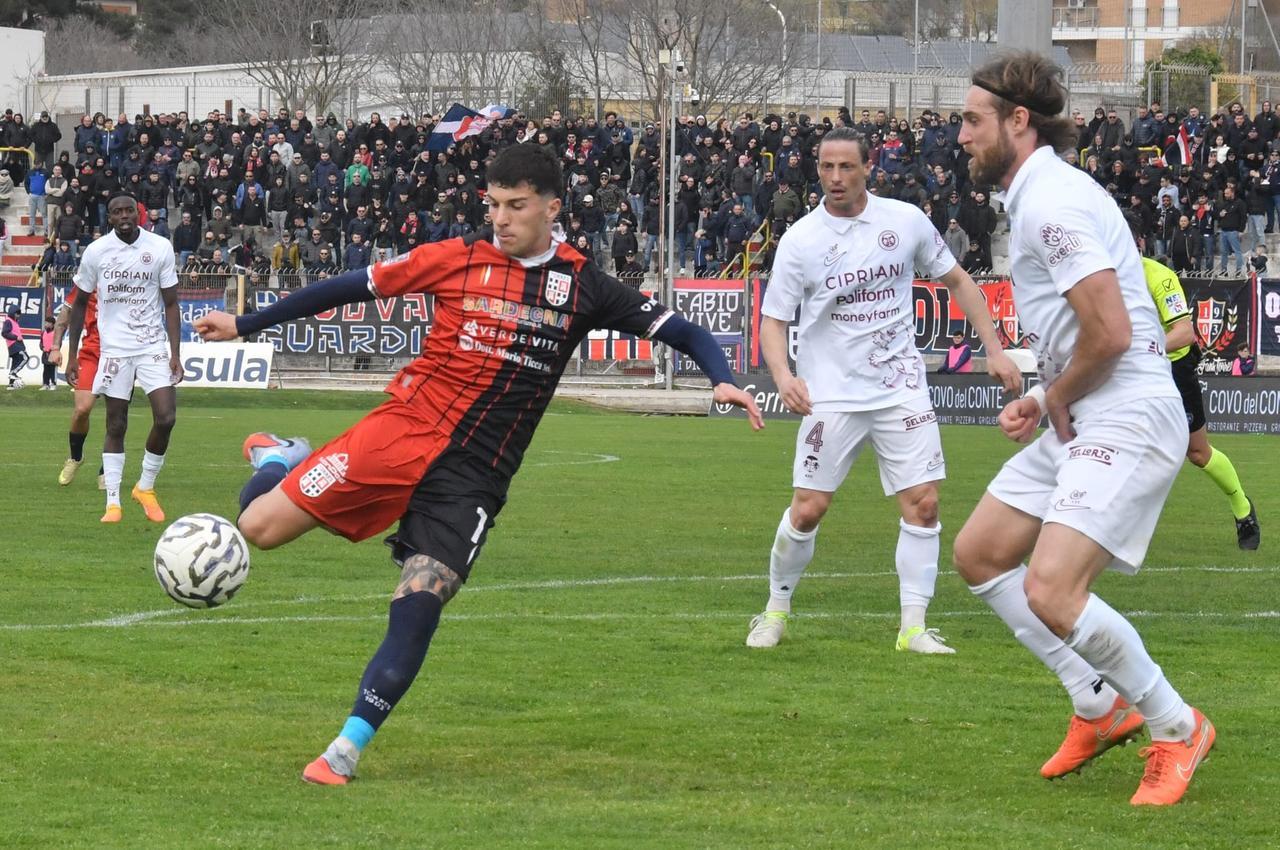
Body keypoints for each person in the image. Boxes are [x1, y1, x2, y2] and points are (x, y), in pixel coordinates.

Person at [193, 143, 764, 785]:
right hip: (401, 431)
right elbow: (354, 286)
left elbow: (683, 331)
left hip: (476, 472)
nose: (500, 218)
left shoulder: (583, 286)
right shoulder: (456, 258)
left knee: (423, 595)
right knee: (258, 528)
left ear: (552, 208)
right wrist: (248, 322)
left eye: (516, 206)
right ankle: (279, 459)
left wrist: (721, 376)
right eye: (493, 204)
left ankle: (344, 750)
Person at [953, 52, 1214, 807]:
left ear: (1019, 121)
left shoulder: (1051, 203)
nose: (961, 135)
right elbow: (1091, 336)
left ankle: (1177, 726)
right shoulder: (1040, 194)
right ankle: (1099, 704)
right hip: (1090, 405)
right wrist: (1048, 397)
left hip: (1127, 410)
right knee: (980, 554)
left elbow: (1112, 335)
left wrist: (1053, 396)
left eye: (972, 120)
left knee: (1052, 588)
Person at [743, 127, 1021, 654]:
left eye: (846, 166)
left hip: (901, 389)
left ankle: (913, 628)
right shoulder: (801, 239)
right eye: (827, 167)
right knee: (808, 509)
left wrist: (995, 347)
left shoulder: (905, 220)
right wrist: (783, 376)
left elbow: (958, 281)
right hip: (831, 394)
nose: (835, 177)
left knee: (924, 505)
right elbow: (773, 320)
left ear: (868, 167)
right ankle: (775, 611)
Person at [1126, 211, 1260, 550]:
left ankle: (1242, 508)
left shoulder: (1159, 276)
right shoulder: (1099, 281)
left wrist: (1142, 349)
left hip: (1173, 369)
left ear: (1137, 242)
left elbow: (1184, 333)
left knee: (1198, 453)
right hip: (1130, 373)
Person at [65, 195, 182, 523]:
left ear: (138, 214)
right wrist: (72, 355)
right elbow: (79, 304)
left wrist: (175, 353)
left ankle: (145, 487)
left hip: (151, 346)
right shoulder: (96, 251)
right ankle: (113, 502)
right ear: (110, 218)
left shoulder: (159, 247)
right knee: (116, 424)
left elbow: (171, 303)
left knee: (166, 418)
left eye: (129, 210)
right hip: (114, 349)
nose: (124, 216)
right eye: (117, 212)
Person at [50, 287, 106, 488]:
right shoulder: (89, 276)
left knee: (117, 416)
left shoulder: (131, 276)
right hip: (92, 352)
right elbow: (66, 311)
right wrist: (55, 347)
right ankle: (75, 457)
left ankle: (107, 471)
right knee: (82, 409)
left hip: (123, 353)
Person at [3, 305, 25, 390]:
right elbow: (4, 333)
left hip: (17, 345)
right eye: (17, 313)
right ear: (13, 313)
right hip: (14, 345)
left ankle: (11, 385)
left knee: (15, 363)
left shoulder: (14, 322)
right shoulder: (8, 321)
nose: (19, 315)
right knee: (25, 358)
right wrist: (15, 337)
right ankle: (13, 373)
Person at [40, 316, 57, 390]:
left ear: (52, 324)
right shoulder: (43, 332)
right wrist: (42, 348)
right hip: (45, 354)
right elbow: (41, 343)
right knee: (45, 370)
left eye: (47, 323)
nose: (46, 324)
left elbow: (58, 343)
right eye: (45, 322)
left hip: (52, 354)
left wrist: (53, 349)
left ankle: (53, 384)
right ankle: (45, 384)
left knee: (52, 369)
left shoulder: (55, 333)